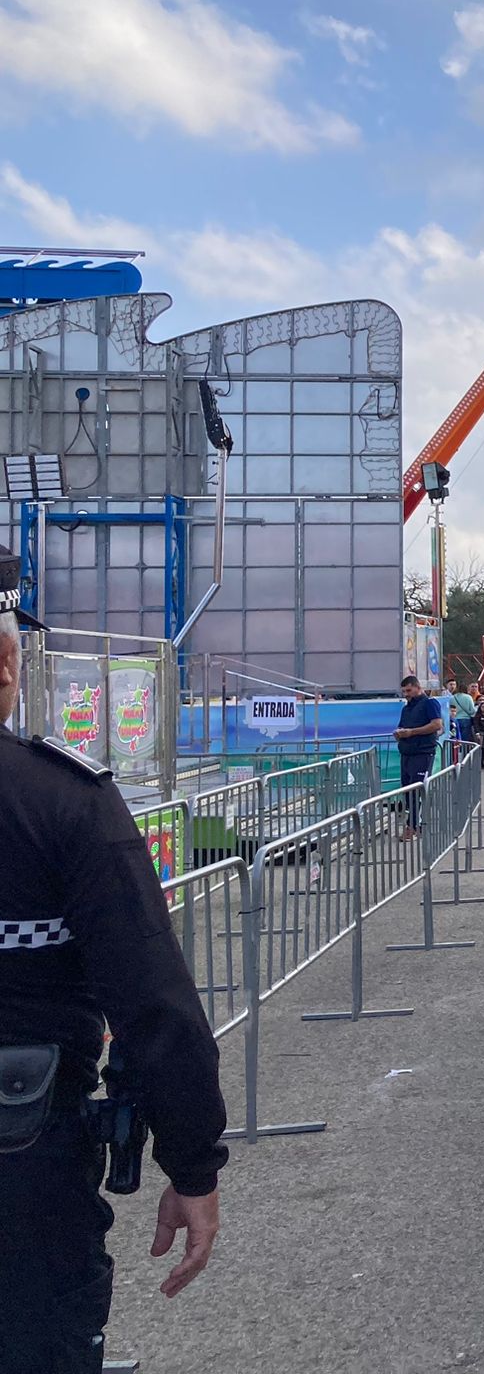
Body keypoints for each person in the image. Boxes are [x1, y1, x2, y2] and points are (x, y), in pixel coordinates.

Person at [0, 545, 228, 1371]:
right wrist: (193, 1164)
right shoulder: (62, 801)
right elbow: (152, 1002)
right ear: (7, 663)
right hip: (24, 1162)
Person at [392, 675, 444, 836]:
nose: (406, 694)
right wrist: (399, 734)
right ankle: (413, 824)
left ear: (418, 687)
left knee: (416, 790)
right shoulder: (406, 708)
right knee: (408, 791)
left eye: (408, 690)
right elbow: (403, 726)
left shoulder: (429, 703)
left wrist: (412, 732)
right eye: (404, 691)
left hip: (423, 753)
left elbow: (437, 725)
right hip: (406, 752)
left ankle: (414, 826)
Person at [448, 681, 477, 751]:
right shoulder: (468, 697)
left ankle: (456, 753)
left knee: (456, 738)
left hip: (454, 720)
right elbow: (472, 710)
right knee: (465, 740)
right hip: (466, 720)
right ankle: (464, 753)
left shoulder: (452, 698)